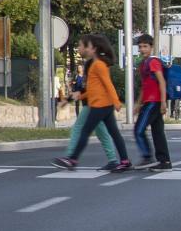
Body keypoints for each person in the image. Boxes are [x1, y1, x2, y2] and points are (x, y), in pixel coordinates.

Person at [53, 34, 130, 171]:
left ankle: (72, 160)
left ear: (93, 49)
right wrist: (81, 96)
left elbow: (108, 84)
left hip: (99, 106)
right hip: (103, 105)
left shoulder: (98, 65)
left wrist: (116, 102)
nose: (80, 48)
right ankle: (124, 161)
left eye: (83, 46)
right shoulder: (95, 64)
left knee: (84, 131)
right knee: (114, 133)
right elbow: (93, 90)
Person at [132, 34, 173, 171]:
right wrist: (138, 103)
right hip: (149, 101)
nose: (142, 49)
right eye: (140, 47)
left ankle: (147, 157)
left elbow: (161, 82)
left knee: (138, 130)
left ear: (151, 47)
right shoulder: (143, 64)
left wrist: (163, 102)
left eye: (145, 46)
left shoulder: (153, 62)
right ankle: (164, 162)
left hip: (154, 102)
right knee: (157, 132)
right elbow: (145, 86)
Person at [63, 69, 117, 168]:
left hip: (91, 105)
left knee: (78, 129)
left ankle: (70, 157)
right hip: (96, 105)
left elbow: (87, 90)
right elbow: (81, 91)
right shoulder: (89, 71)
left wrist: (70, 99)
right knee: (102, 133)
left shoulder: (93, 68)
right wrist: (68, 99)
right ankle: (112, 159)